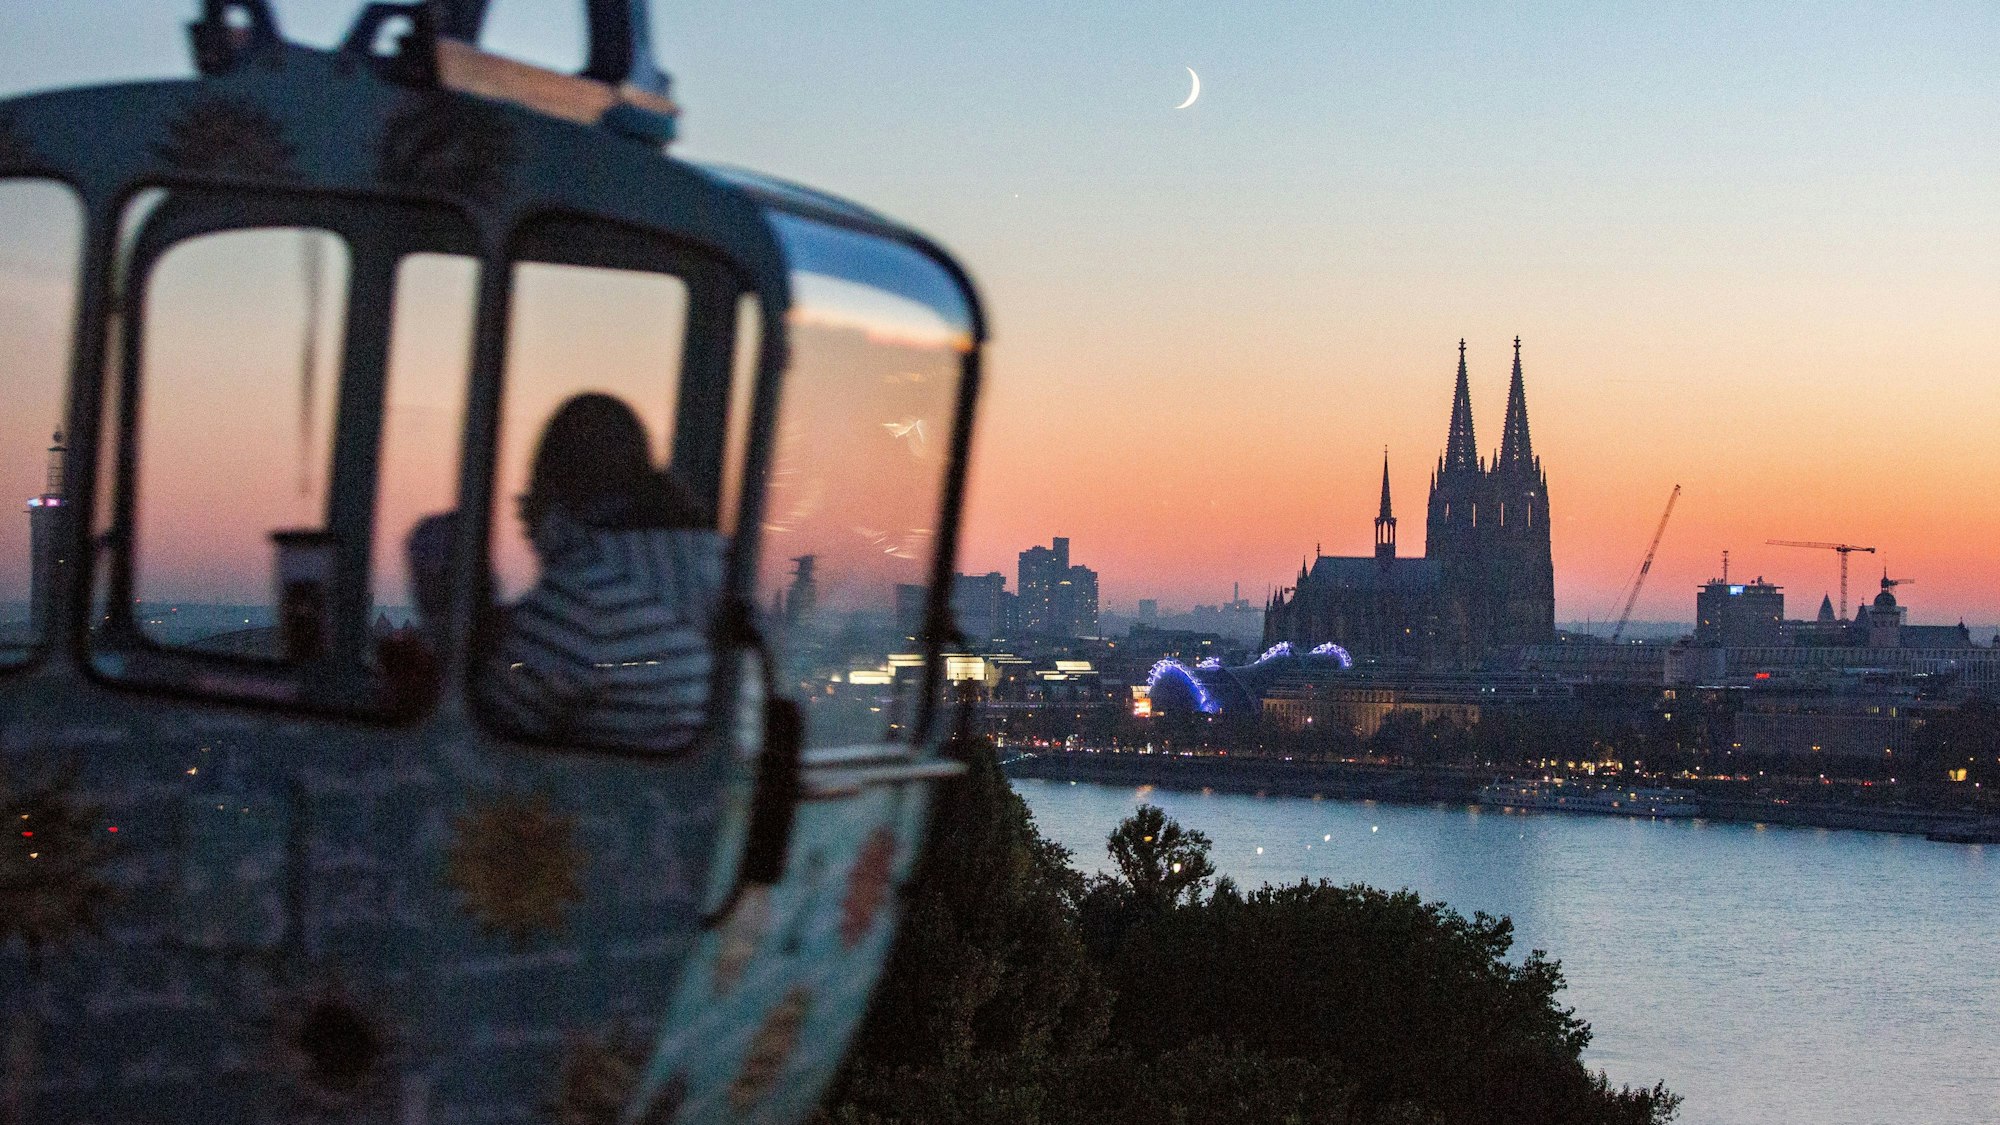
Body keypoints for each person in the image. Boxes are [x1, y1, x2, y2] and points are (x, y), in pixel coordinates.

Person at [408, 393, 723, 752]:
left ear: (556, 500)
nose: (528, 525)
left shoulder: (584, 598)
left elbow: (478, 740)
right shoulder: (711, 568)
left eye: (531, 503)